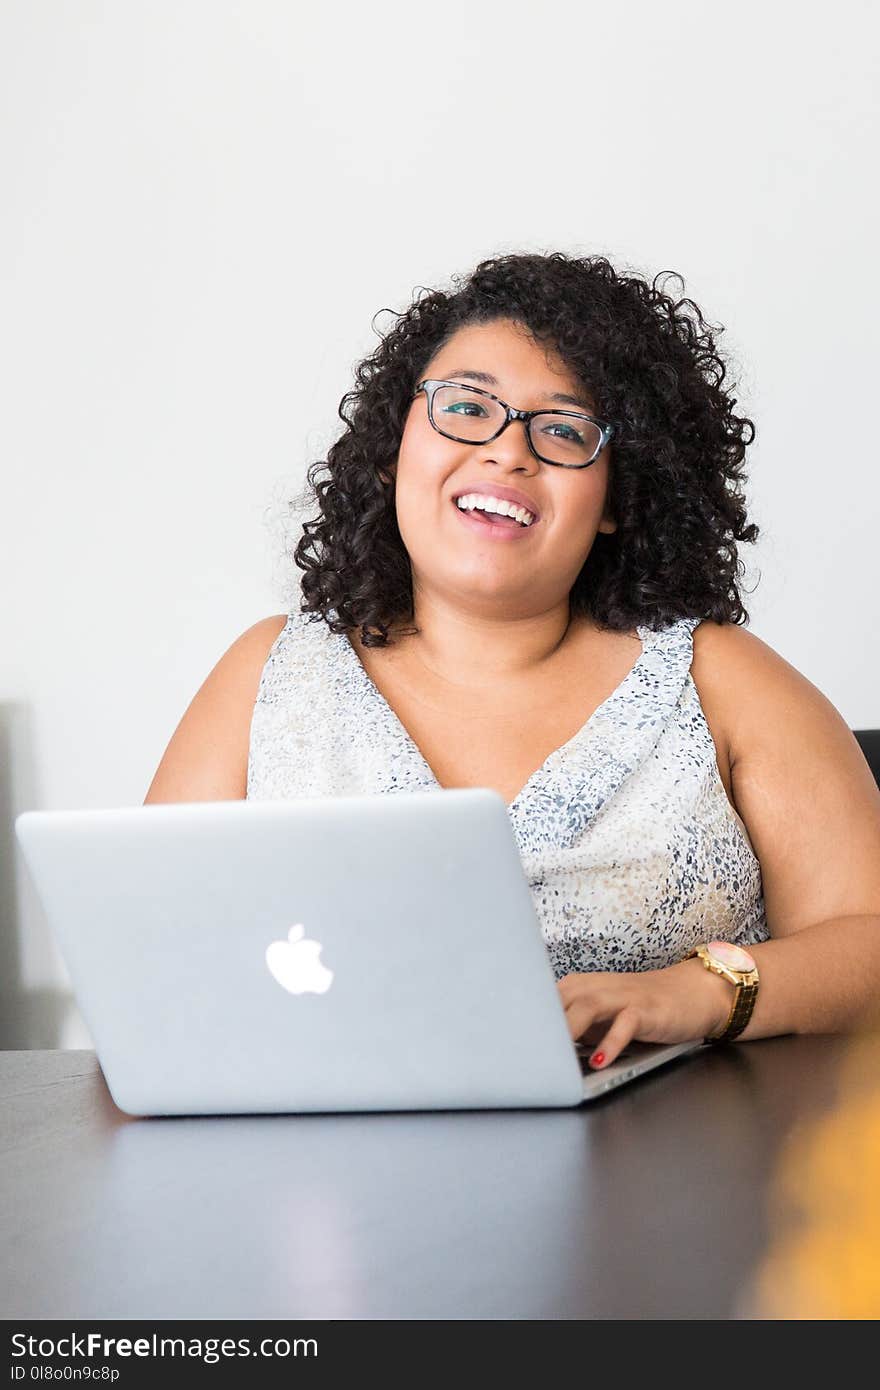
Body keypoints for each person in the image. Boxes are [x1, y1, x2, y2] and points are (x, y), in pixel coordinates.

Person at [144, 250, 880, 1070]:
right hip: (325, 1177)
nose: (507, 452)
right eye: (466, 408)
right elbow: (144, 962)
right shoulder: (268, 675)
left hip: (673, 1172)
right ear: (395, 450)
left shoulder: (724, 679)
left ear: (616, 501)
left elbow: (869, 943)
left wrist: (695, 992)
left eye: (563, 429)